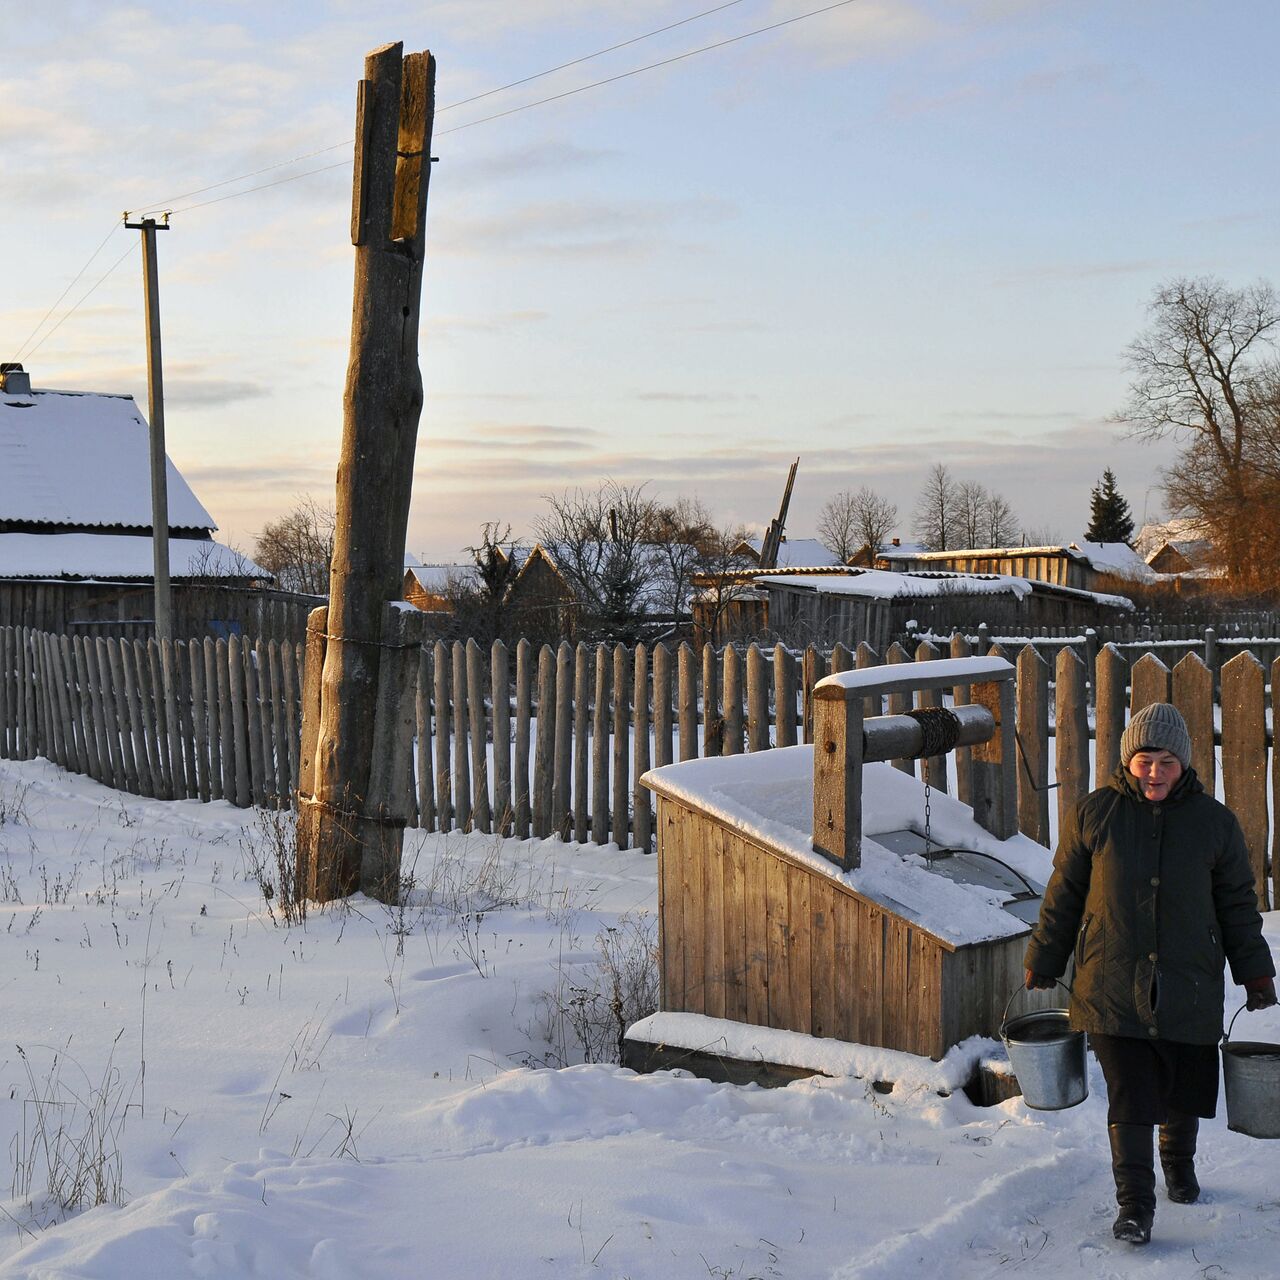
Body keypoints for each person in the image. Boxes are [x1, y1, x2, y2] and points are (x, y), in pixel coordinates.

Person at [1023, 701, 1276, 1246]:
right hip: (1111, 978)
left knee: (1184, 1081)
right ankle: (1134, 1205)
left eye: (1165, 761)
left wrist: (1255, 973)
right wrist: (1045, 957)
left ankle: (1178, 1165)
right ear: (1126, 761)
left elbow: (1237, 904)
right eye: (1144, 760)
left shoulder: (1215, 824)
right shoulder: (1096, 813)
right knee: (1131, 1091)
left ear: (1183, 763)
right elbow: (1064, 895)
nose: (1154, 772)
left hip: (1190, 978)